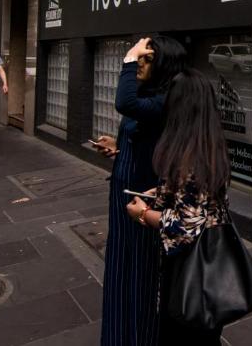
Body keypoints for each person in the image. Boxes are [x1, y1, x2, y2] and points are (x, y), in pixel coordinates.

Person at [126, 68, 234, 344]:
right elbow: (205, 199)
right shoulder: (211, 144)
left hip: (192, 271)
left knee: (183, 334)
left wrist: (143, 214)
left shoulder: (190, 156)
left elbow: (185, 226)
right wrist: (165, 190)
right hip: (213, 261)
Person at [98, 36, 186, 346]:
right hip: (123, 197)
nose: (140, 65)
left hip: (143, 201)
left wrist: (128, 56)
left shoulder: (165, 99)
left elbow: (125, 103)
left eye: (147, 60)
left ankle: (137, 337)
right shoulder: (149, 96)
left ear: (163, 65)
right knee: (121, 273)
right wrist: (117, 149)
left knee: (140, 277)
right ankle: (119, 335)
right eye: (140, 59)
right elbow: (140, 141)